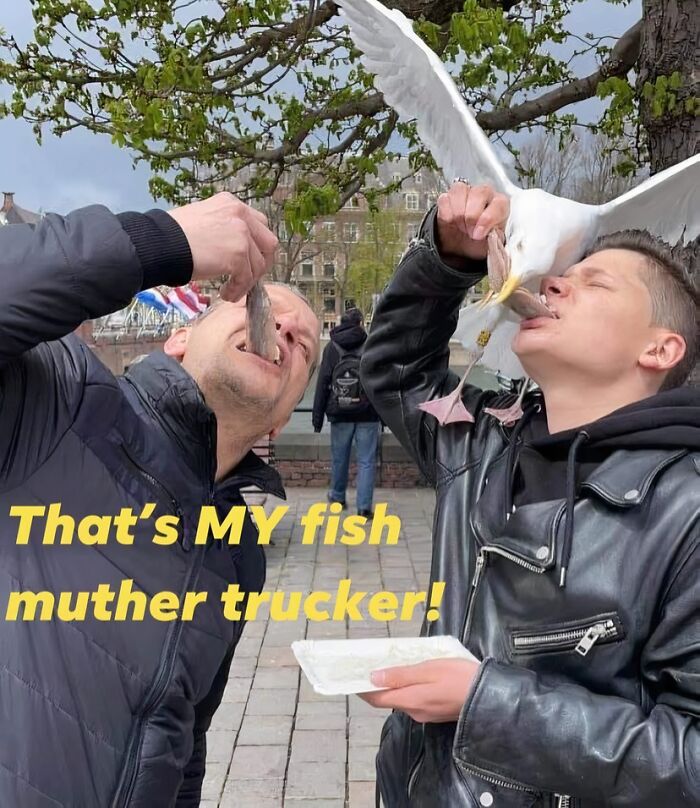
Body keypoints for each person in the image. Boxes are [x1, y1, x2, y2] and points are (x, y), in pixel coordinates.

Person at [359, 181, 700, 807]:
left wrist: (483, 702)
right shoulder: (478, 444)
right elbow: (393, 371)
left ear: (660, 348)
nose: (553, 285)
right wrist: (448, 257)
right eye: (558, 279)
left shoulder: (688, 511)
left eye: (594, 284)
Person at [0, 193, 320, 807]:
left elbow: (182, 735)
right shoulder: (61, 401)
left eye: (302, 347)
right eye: (261, 307)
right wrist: (154, 243)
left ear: (282, 418)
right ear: (177, 341)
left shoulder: (238, 553)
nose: (283, 329)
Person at [312, 307, 381, 517]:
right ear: (360, 323)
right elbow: (378, 382)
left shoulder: (332, 347)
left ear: (341, 322)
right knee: (367, 461)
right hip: (367, 413)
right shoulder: (371, 345)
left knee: (339, 458)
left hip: (339, 412)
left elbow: (323, 382)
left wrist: (317, 418)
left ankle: (338, 496)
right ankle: (364, 507)